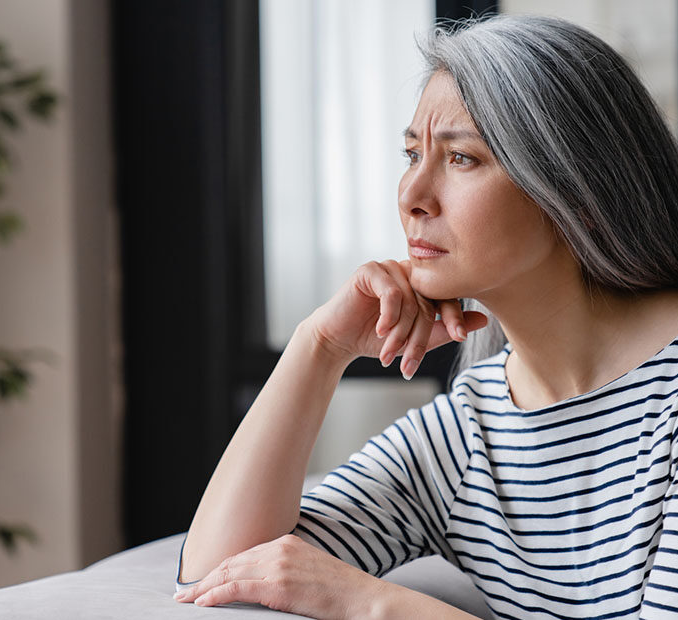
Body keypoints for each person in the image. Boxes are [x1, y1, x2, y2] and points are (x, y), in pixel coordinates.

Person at [173, 13, 678, 619]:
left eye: (461, 159)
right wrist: (320, 347)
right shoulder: (472, 430)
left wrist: (373, 604)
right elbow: (221, 572)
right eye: (412, 154)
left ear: (580, 191)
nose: (412, 195)